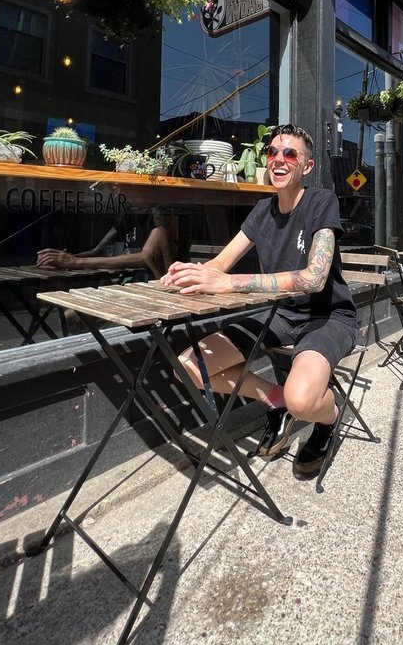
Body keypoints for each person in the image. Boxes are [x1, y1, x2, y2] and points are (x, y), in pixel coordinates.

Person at [161, 123, 359, 477]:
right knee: (189, 367)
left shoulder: (320, 201)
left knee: (305, 401)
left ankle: (327, 418)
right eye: (272, 152)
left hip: (328, 317)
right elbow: (220, 264)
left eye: (290, 154)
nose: (278, 160)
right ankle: (277, 400)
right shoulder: (261, 211)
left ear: (307, 167)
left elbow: (314, 278)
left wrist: (227, 284)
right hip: (281, 315)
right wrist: (189, 274)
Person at [37, 208, 179, 279]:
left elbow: (143, 257)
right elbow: (97, 249)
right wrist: (70, 257)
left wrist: (76, 261)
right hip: (124, 282)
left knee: (69, 317)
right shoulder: (128, 213)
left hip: (145, 289)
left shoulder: (159, 224)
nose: (115, 184)